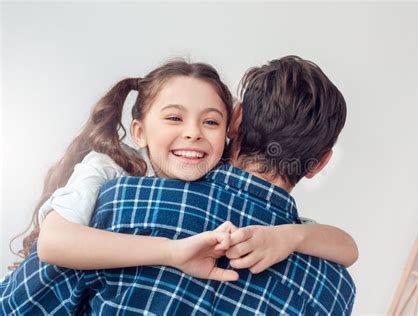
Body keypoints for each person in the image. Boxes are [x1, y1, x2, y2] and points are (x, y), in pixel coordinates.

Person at [1, 55, 356, 314]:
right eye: (174, 117)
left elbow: (18, 304)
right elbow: (346, 249)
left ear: (234, 121)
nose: (191, 133)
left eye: (209, 121)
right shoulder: (335, 288)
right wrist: (293, 237)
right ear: (321, 162)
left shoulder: (120, 203)